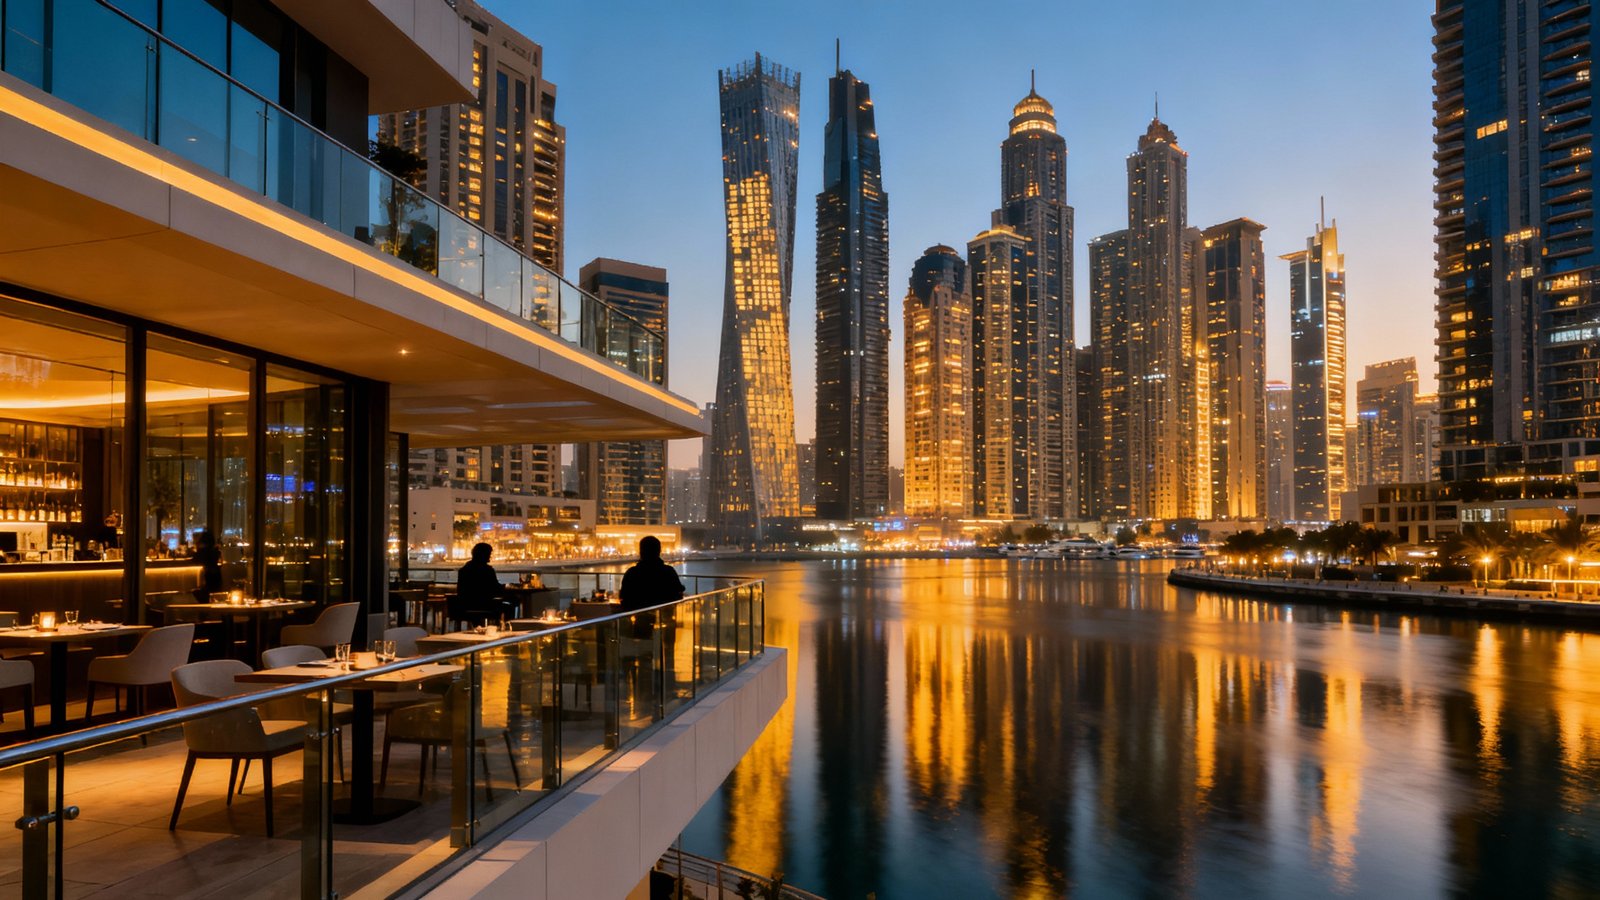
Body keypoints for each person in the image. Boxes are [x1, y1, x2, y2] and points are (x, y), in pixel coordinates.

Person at [619, 536, 684, 615]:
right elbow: (678, 591)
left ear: (641, 551)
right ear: (659, 551)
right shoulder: (668, 571)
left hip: (639, 617)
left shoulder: (631, 572)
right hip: (664, 616)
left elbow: (624, 596)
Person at [453, 542, 509, 627]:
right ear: (485, 554)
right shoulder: (487, 570)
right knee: (509, 605)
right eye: (489, 554)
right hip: (484, 605)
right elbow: (494, 588)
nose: (490, 556)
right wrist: (506, 587)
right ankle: (507, 627)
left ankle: (478, 625)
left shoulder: (464, 570)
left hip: (466, 605)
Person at [192, 530, 222, 602]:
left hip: (207, 580)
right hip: (216, 578)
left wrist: (196, 546)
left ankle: (204, 611)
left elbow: (195, 560)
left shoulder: (202, 552)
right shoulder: (215, 551)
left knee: (202, 597)